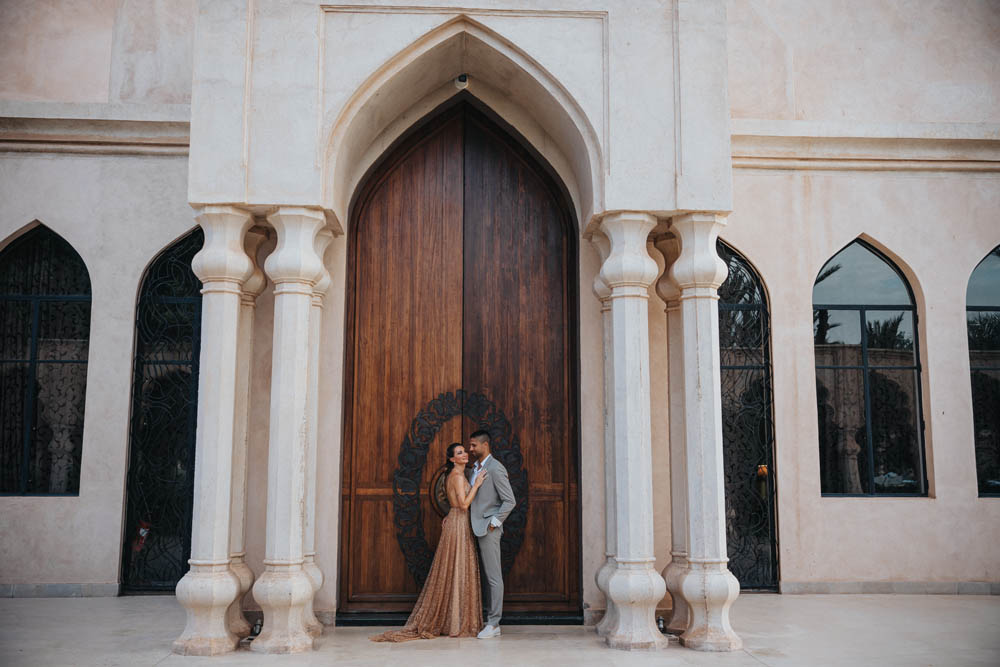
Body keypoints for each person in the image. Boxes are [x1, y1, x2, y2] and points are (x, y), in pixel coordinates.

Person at [370, 443, 486, 641]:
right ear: (452, 459)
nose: (465, 454)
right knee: (457, 568)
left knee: (453, 568)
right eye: (459, 453)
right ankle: (456, 624)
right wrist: (476, 485)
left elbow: (455, 505)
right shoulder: (457, 477)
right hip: (459, 524)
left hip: (455, 521)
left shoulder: (456, 476)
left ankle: (454, 621)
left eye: (464, 451)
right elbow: (464, 505)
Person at [466, 429, 516, 639]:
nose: (470, 449)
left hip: (488, 529)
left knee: (493, 577)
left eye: (473, 445)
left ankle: (494, 623)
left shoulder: (496, 468)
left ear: (485, 445)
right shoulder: (472, 470)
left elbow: (509, 500)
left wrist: (493, 524)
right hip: (469, 528)